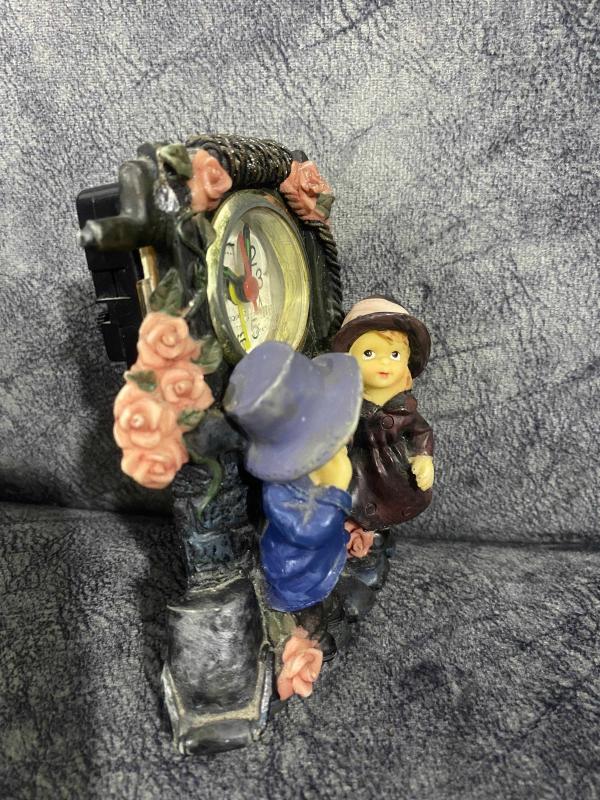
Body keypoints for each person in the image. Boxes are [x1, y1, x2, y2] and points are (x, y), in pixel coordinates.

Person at [223, 340, 363, 612]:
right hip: (297, 568)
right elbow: (307, 531)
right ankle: (297, 610)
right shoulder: (278, 491)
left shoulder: (321, 462)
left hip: (325, 552)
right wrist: (335, 488)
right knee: (303, 597)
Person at [332, 296, 434, 590]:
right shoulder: (349, 405)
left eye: (394, 355)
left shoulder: (404, 409)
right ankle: (357, 544)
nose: (384, 363)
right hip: (359, 470)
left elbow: (421, 432)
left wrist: (423, 457)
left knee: (390, 503)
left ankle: (376, 539)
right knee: (354, 504)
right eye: (368, 353)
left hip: (392, 471)